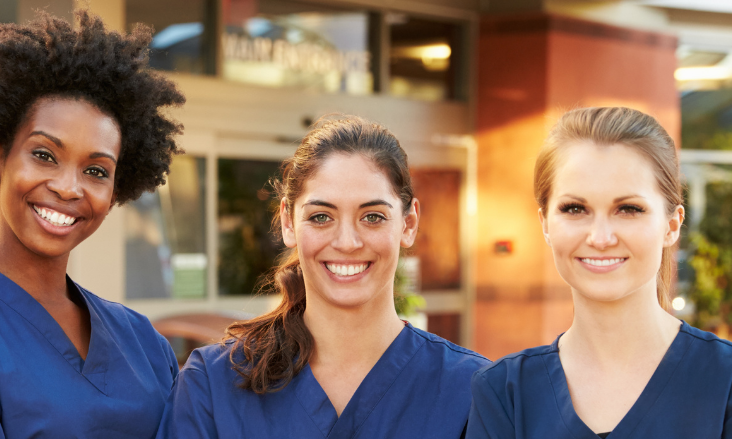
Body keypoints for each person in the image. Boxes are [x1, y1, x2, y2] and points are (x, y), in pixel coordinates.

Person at [0, 10, 185, 438]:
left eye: (96, 171)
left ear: (116, 189)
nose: (67, 187)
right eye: (44, 155)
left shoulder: (143, 343)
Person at [157, 116, 490, 439]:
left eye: (372, 217)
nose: (347, 242)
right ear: (288, 222)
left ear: (409, 223)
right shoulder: (214, 384)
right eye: (321, 217)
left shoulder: (470, 391)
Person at [466, 107, 732, 438]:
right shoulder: (504, 392)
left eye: (628, 209)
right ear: (545, 223)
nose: (600, 238)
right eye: (575, 209)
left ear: (672, 225)